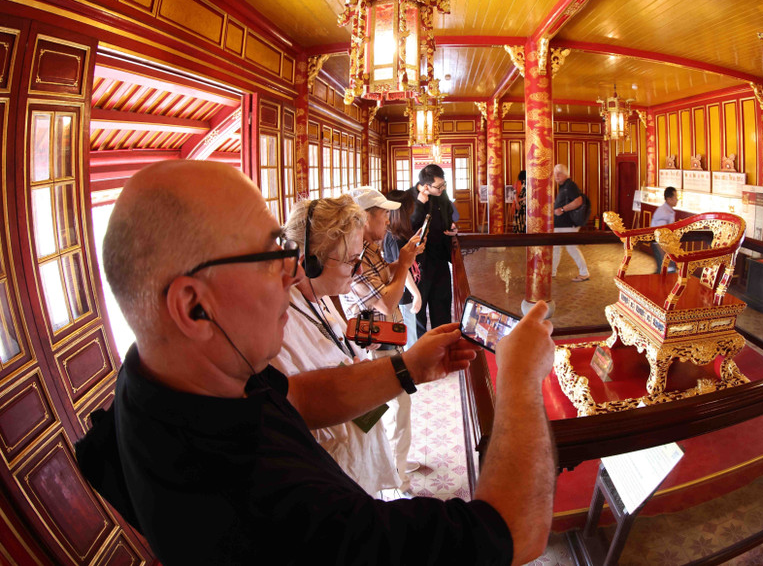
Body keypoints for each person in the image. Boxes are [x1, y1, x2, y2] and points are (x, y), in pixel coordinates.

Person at [75, 160, 557, 566]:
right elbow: (513, 530)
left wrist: (407, 365)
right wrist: (519, 381)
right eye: (271, 256)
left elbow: (299, 394)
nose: (290, 272)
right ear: (194, 308)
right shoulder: (274, 503)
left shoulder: (175, 376)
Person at [272, 196, 399, 495]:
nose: (357, 271)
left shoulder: (322, 297)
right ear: (310, 262)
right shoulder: (278, 328)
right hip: (332, 479)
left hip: (357, 453)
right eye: (351, 261)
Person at [342, 186, 424, 491]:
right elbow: (386, 302)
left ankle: (397, 465)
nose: (388, 222)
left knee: (398, 411)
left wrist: (404, 259)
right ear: (364, 219)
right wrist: (403, 263)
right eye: (384, 216)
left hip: (386, 339)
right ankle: (395, 481)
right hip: (375, 347)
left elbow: (383, 278)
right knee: (394, 412)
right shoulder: (357, 255)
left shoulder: (370, 248)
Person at [411, 164, 459, 337]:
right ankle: (421, 350)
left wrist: (453, 229)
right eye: (439, 186)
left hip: (440, 259)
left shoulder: (441, 194)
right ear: (425, 186)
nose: (443, 189)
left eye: (444, 184)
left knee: (442, 306)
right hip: (419, 264)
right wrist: (419, 204)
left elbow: (448, 215)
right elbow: (409, 227)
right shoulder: (410, 198)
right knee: (419, 310)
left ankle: (442, 342)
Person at [382, 189, 423, 349]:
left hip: (408, 291)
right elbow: (402, 269)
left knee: (411, 331)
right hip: (404, 294)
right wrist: (416, 294)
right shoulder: (394, 237)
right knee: (409, 336)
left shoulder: (401, 232)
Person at [552, 163, 589, 282]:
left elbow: (578, 201)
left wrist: (562, 209)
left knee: (571, 248)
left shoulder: (570, 185)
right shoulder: (563, 186)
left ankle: (584, 273)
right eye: (555, 173)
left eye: (559, 173)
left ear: (565, 174)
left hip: (568, 225)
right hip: (561, 225)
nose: (556, 176)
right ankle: (552, 272)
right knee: (556, 248)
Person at [650, 186, 679, 273]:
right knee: (664, 270)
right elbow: (660, 235)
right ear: (669, 199)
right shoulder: (663, 212)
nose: (677, 200)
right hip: (659, 245)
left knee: (665, 269)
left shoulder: (668, 210)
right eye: (675, 198)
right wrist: (663, 252)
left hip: (666, 246)